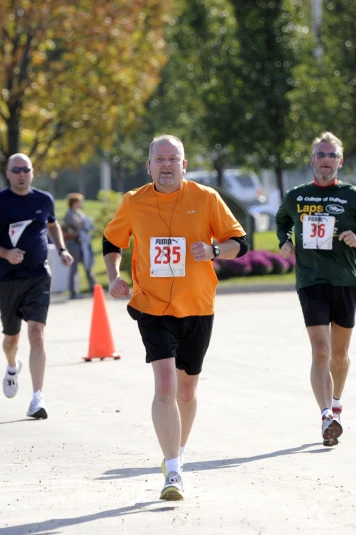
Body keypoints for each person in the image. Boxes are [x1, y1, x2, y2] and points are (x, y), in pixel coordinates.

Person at [103, 135, 248, 501]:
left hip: (198, 306)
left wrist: (214, 249)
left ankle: (177, 455)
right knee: (165, 385)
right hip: (152, 306)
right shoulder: (134, 202)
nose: (167, 165)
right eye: (160, 158)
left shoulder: (206, 198)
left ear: (184, 165)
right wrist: (114, 277)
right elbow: (111, 242)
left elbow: (239, 243)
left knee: (187, 389)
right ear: (149, 166)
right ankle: (172, 471)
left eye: (174, 159)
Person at [275, 132, 356, 447]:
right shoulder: (297, 195)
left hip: (345, 279)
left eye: (331, 156)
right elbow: (282, 220)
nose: (325, 160)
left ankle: (336, 401)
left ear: (340, 161)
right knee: (320, 351)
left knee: (339, 354)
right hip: (310, 279)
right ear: (311, 160)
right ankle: (326, 417)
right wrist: (285, 240)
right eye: (320, 155)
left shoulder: (353, 196)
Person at [0, 153, 73, 420]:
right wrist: (6, 254)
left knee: (37, 333)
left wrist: (62, 249)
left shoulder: (44, 200)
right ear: (7, 174)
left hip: (38, 276)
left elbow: (53, 226)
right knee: (11, 338)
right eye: (16, 170)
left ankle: (37, 398)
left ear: (32, 173)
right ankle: (11, 366)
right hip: (8, 280)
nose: (21, 174)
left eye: (25, 170)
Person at [63, 193, 96, 298]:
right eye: (79, 201)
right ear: (74, 202)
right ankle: (73, 292)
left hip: (83, 244)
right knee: (74, 269)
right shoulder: (69, 214)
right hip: (74, 244)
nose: (81, 203)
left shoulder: (80, 213)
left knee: (88, 266)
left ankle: (94, 288)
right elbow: (73, 227)